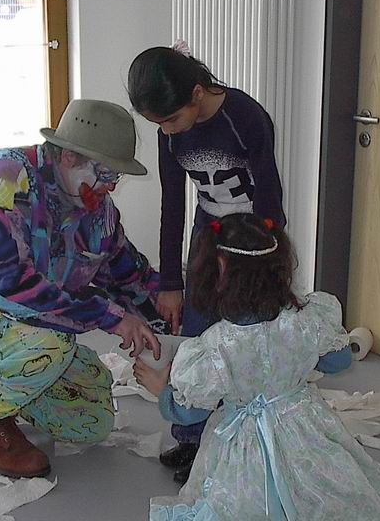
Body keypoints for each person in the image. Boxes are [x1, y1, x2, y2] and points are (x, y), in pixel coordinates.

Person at [0, 99, 167, 479]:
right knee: (53, 342)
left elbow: (128, 275)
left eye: (117, 176)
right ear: (69, 157)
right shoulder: (0, 181)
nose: (111, 185)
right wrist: (112, 317)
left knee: (92, 423)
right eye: (106, 172)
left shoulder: (97, 209)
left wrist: (176, 321)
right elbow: (7, 287)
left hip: (20, 329)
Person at [133, 213, 380, 520]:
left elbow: (191, 412)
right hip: (305, 428)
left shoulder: (216, 346)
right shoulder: (307, 320)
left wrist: (162, 390)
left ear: (219, 270)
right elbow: (339, 361)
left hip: (244, 449)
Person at [128, 41, 286, 482]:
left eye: (171, 120)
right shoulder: (169, 132)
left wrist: (269, 264)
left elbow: (270, 194)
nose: (167, 131)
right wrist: (170, 282)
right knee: (197, 336)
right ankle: (192, 439)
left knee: (243, 336)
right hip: (208, 230)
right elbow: (173, 205)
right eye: (158, 124)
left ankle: (241, 441)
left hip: (251, 238)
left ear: (197, 93)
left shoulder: (246, 117)